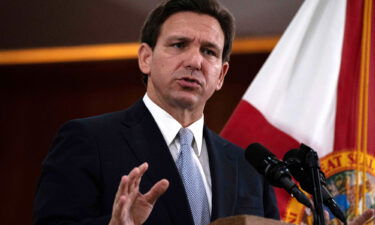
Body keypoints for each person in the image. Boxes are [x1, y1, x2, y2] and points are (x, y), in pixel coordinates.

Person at [33, 0, 374, 225]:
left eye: (209, 51)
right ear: (146, 58)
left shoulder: (250, 167)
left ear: (221, 74)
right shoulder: (89, 140)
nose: (195, 61)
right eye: (179, 45)